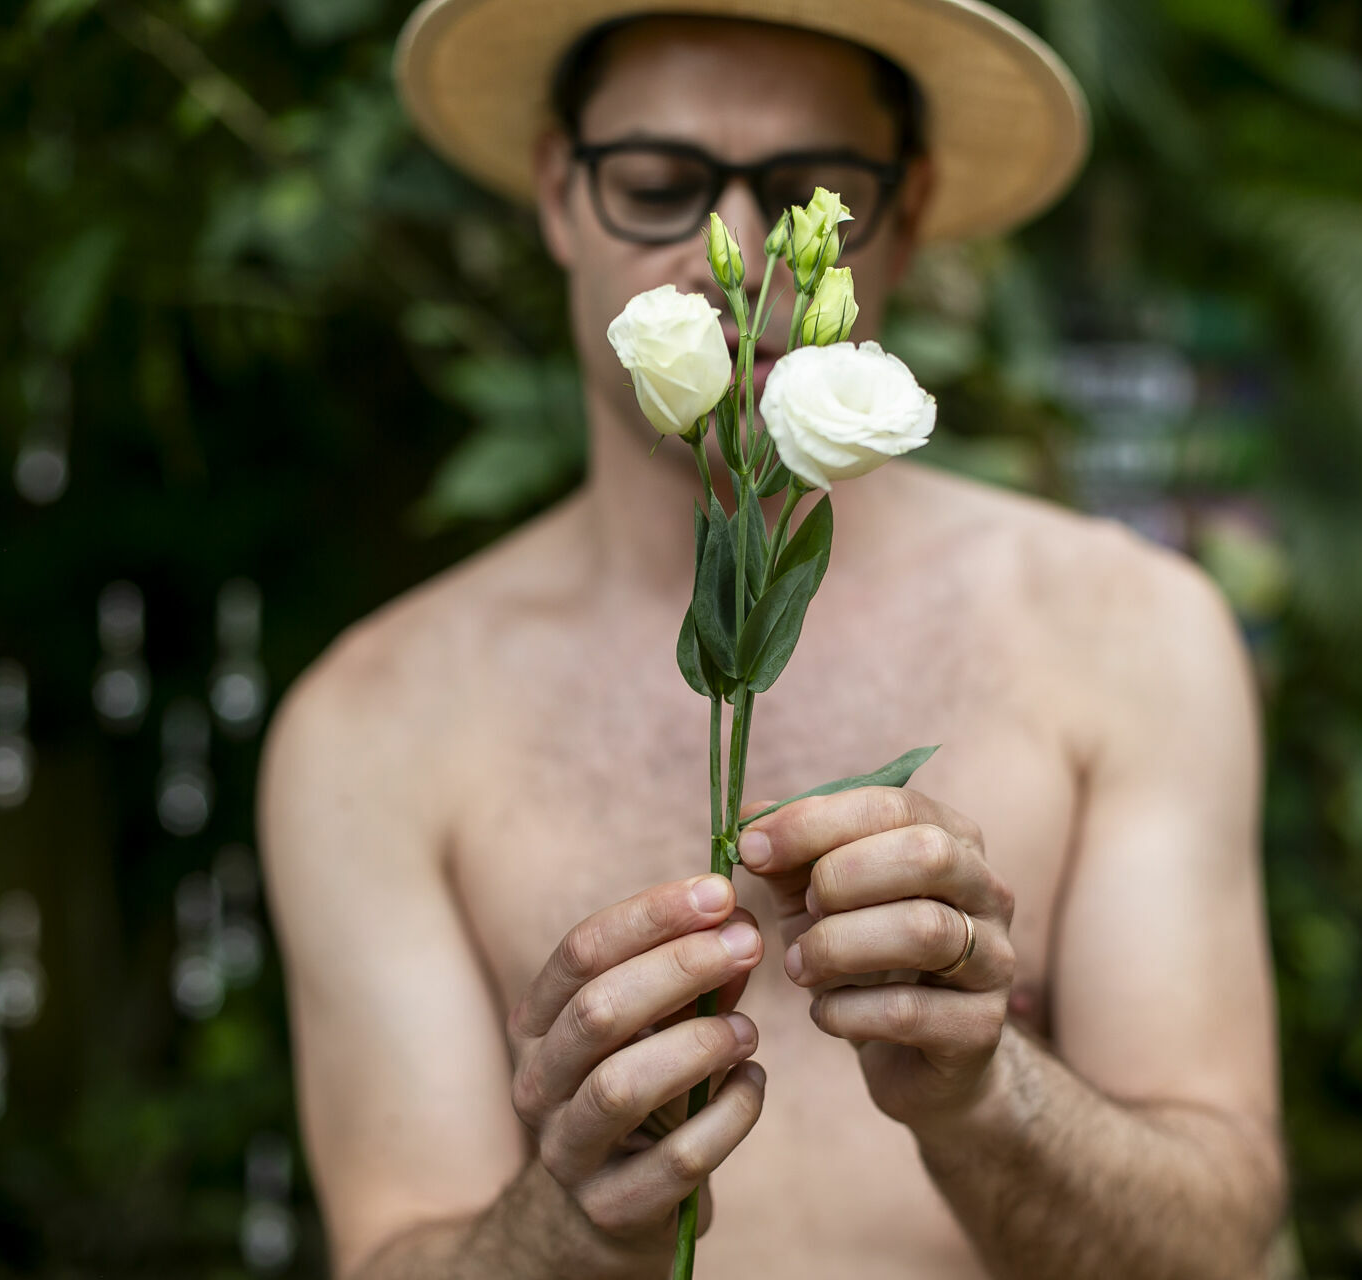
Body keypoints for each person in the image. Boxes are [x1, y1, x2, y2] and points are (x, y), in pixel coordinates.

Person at [258, 2, 1286, 1276]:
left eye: (808, 194)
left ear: (904, 218)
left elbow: (1220, 1243)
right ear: (557, 194)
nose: (727, 250)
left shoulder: (1129, 632)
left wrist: (983, 1091)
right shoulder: (371, 722)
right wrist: (575, 1223)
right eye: (655, 184)